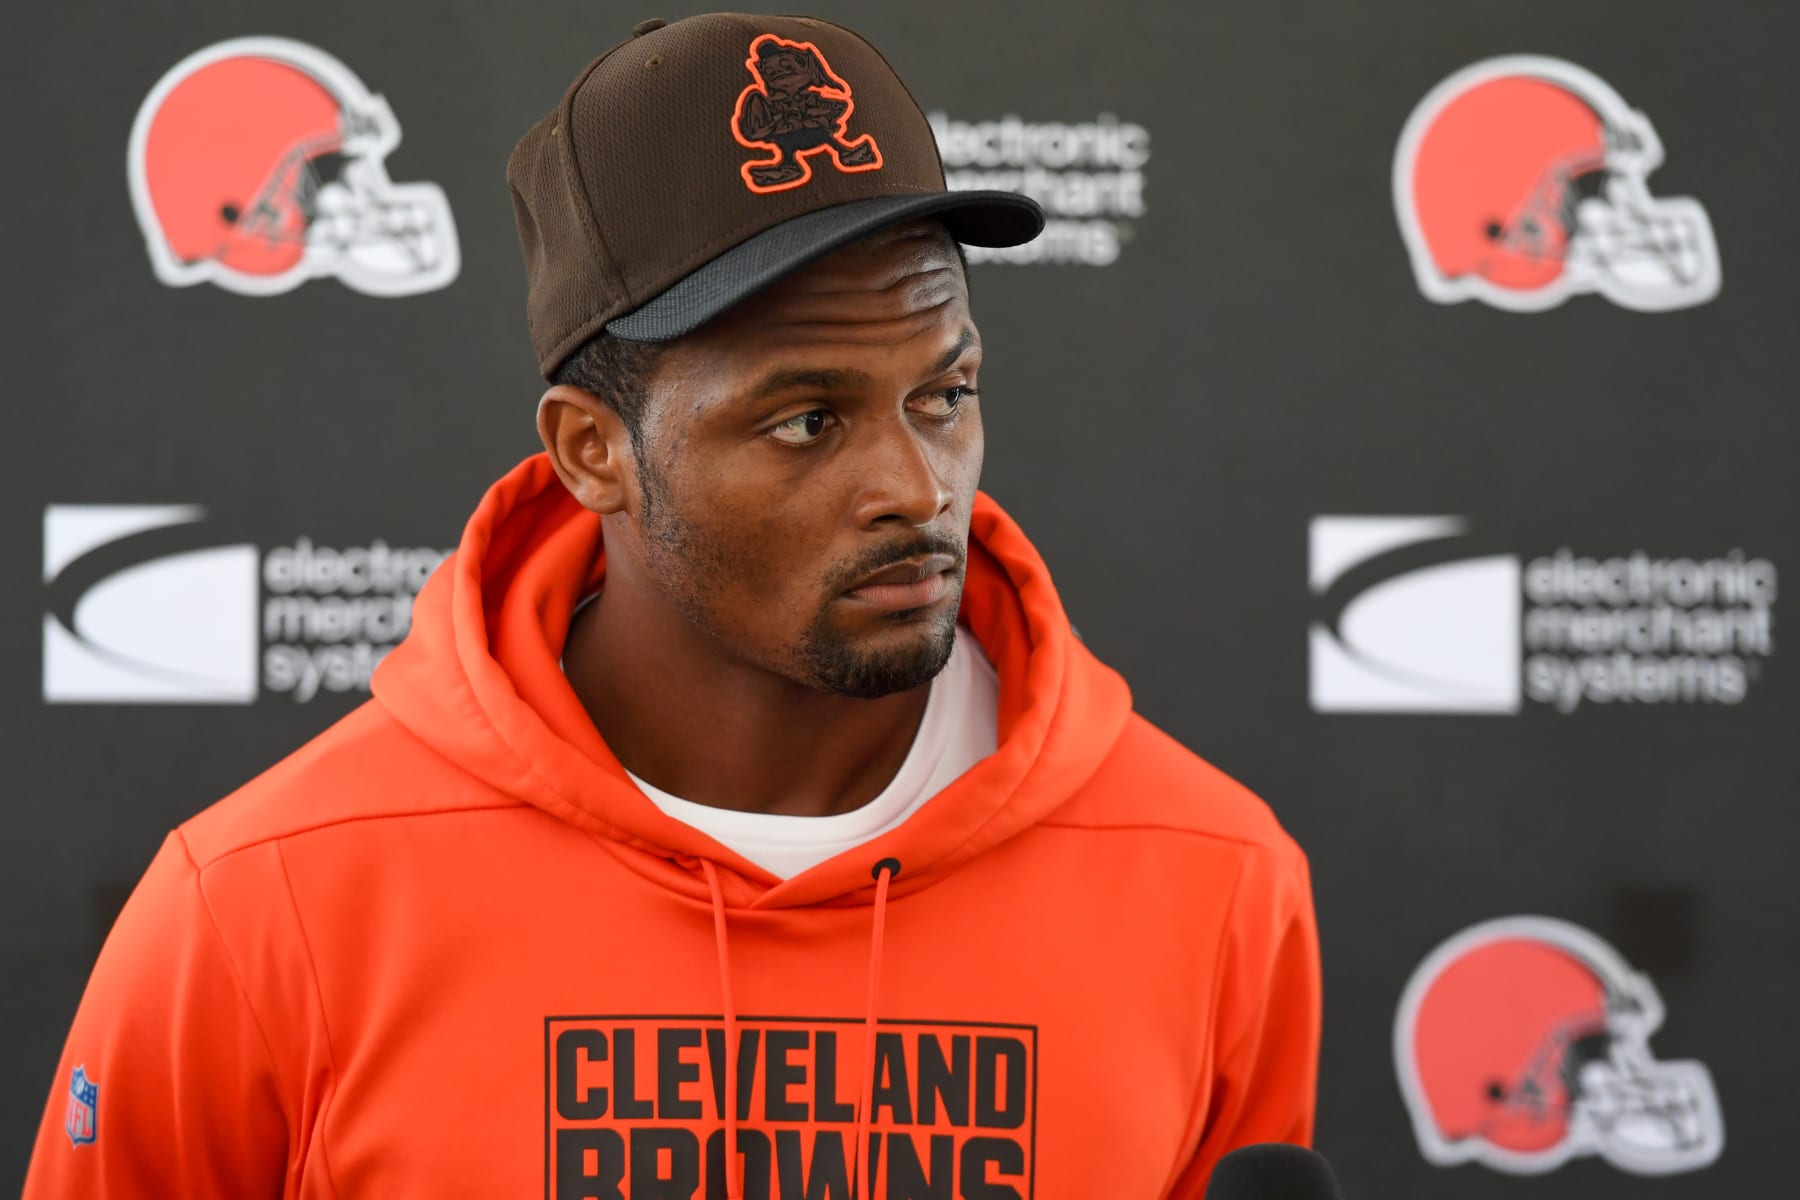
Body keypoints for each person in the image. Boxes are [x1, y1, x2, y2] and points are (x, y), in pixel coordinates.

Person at [25, 13, 1319, 1198]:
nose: (919, 487)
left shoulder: (1213, 879)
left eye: (945, 395)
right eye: (807, 420)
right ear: (593, 451)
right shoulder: (269, 904)